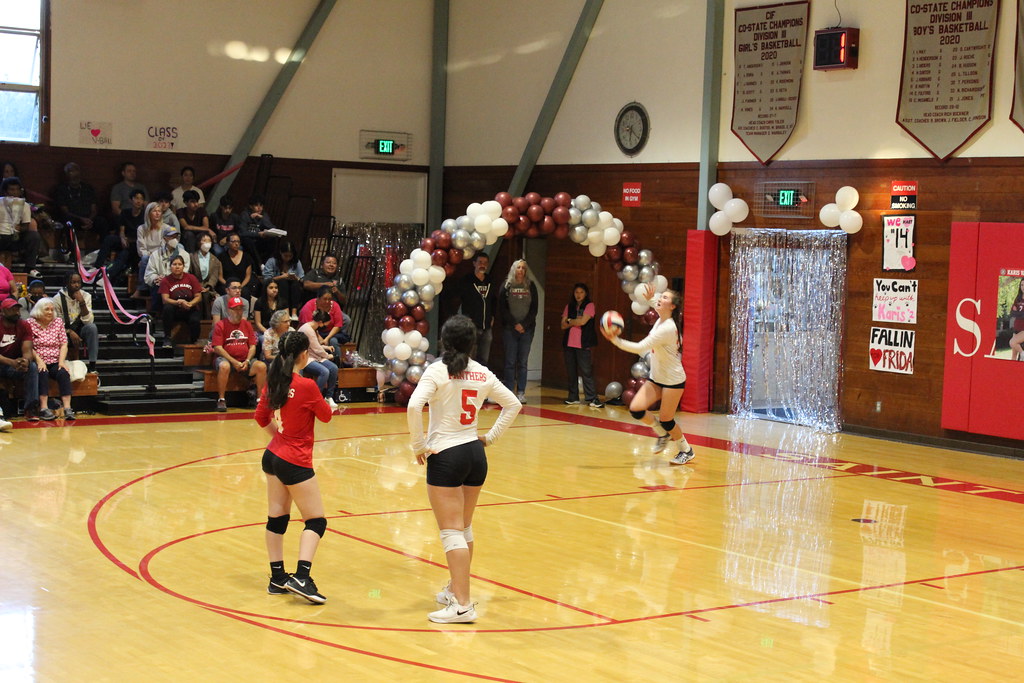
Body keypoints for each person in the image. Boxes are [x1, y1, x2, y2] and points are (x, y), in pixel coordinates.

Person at [406, 314, 521, 623]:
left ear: (444, 340)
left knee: (451, 532)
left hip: (446, 455)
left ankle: (463, 605)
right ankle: (456, 588)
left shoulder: (437, 370)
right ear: (472, 343)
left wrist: (418, 446)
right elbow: (513, 404)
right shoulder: (483, 372)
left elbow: (413, 406)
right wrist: (491, 438)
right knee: (464, 528)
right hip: (474, 454)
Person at [254, 330, 334, 604]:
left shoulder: (274, 380)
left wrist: (279, 436)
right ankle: (302, 575)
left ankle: (277, 578)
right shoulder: (306, 385)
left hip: (273, 455)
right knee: (316, 520)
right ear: (304, 355)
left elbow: (260, 416)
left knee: (277, 518)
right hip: (294, 459)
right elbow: (325, 416)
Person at [600, 284, 695, 465]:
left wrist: (615, 339)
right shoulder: (662, 317)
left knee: (667, 420)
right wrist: (652, 299)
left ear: (673, 306)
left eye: (665, 298)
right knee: (636, 409)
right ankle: (662, 434)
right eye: (661, 297)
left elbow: (639, 347)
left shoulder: (667, 328)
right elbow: (659, 306)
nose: (660, 300)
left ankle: (686, 450)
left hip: (673, 380)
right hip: (657, 378)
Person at [211, 296, 266, 413]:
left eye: (241, 309)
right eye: (236, 309)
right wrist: (234, 361)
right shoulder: (221, 325)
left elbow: (252, 346)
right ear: (229, 310)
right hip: (226, 360)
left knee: (261, 366)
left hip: (245, 360)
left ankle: (259, 399)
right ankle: (221, 399)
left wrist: (247, 360)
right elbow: (218, 348)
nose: (239, 312)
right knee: (224, 366)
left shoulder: (247, 324)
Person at [497, 259, 538, 403]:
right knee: (510, 361)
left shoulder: (531, 286)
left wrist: (524, 325)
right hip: (510, 329)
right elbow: (502, 308)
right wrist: (514, 324)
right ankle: (509, 392)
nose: (521, 270)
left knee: (522, 362)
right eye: (518, 267)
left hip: (527, 329)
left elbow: (534, 309)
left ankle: (521, 392)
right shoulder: (507, 286)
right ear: (514, 269)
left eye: (523, 268)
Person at [27, 298, 74, 421]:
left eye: (52, 310)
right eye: (47, 309)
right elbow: (28, 345)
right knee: (42, 372)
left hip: (55, 359)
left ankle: (68, 408)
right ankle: (43, 408)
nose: (50, 312)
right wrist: (38, 360)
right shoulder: (30, 323)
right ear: (38, 310)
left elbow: (64, 344)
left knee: (63, 373)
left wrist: (61, 361)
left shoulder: (58, 322)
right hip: (39, 359)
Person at [0, 298, 44, 424]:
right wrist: (12, 362)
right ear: (3, 311)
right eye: (12, 309)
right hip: (5, 363)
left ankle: (31, 408)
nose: (17, 312)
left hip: (14, 365)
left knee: (32, 367)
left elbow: (28, 349)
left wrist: (25, 361)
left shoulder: (24, 325)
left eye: (18, 309)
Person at [561, 282, 602, 408]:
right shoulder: (569, 306)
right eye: (576, 292)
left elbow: (583, 321)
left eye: (581, 292)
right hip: (569, 343)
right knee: (571, 371)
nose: (578, 295)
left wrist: (570, 321)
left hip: (583, 344)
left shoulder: (589, 306)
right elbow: (563, 325)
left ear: (586, 294)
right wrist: (574, 322)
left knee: (586, 371)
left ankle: (591, 398)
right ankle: (573, 397)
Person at [455, 253, 497, 366]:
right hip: (472, 325)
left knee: (484, 358)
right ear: (474, 263)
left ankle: (482, 380)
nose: (482, 265)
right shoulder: (466, 280)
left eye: (485, 263)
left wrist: (493, 316)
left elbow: (494, 300)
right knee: (468, 356)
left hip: (487, 326)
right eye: (480, 262)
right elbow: (459, 299)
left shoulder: (490, 280)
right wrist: (465, 317)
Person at [53, 272, 99, 372]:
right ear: (67, 283)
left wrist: (82, 302)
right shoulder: (57, 299)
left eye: (78, 282)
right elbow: (56, 324)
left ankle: (92, 366)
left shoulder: (86, 296)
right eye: (73, 282)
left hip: (80, 328)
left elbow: (88, 321)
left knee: (92, 328)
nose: (76, 285)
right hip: (64, 331)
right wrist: (69, 331)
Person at [0, 177, 43, 278]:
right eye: (11, 189)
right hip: (1, 237)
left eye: (17, 189)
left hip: (15, 238)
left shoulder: (25, 205)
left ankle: (29, 268)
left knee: (34, 236)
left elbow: (25, 226)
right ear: (5, 191)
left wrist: (19, 228)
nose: (14, 192)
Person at [296, 308, 340, 407]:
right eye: (325, 324)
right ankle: (315, 397)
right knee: (324, 371)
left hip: (314, 355)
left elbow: (315, 345)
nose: (325, 326)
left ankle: (329, 397)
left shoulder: (312, 328)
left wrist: (326, 347)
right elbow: (316, 349)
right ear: (320, 322)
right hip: (306, 358)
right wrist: (328, 356)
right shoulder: (308, 330)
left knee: (334, 368)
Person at [158, 255, 202, 347]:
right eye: (174, 264)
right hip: (174, 308)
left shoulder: (191, 278)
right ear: (170, 267)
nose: (177, 267)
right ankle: (167, 338)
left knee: (195, 318)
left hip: (189, 307)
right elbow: (165, 299)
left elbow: (198, 296)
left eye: (179, 264)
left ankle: (194, 341)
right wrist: (179, 302)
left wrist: (190, 304)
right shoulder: (166, 280)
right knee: (167, 309)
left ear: (183, 266)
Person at [144, 226, 190, 308]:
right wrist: (156, 278)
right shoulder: (155, 254)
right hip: (161, 285)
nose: (174, 239)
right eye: (171, 237)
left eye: (176, 237)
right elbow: (149, 274)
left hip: (178, 284)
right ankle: (157, 315)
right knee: (158, 287)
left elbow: (184, 272)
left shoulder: (184, 254)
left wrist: (167, 280)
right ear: (165, 238)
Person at [298, 285, 347, 363]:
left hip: (329, 332)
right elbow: (310, 327)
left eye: (329, 299)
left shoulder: (335, 305)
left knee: (334, 341)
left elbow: (338, 325)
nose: (327, 301)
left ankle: (338, 362)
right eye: (325, 299)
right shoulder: (308, 307)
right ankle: (325, 360)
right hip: (313, 332)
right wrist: (321, 340)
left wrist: (327, 338)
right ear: (318, 298)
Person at [262, 240, 304, 318]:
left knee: (295, 284)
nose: (288, 258)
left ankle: (294, 313)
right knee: (283, 282)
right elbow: (267, 279)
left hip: (292, 285)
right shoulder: (272, 261)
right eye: (285, 255)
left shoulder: (296, 262)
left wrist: (296, 278)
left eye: (290, 256)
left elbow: (302, 278)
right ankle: (285, 311)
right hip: (277, 284)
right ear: (280, 253)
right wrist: (281, 277)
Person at [136, 202, 170, 294]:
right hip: (147, 255)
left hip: (162, 255)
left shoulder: (166, 228)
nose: (157, 213)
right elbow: (141, 248)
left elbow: (165, 246)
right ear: (148, 213)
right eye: (155, 211)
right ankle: (141, 288)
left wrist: (154, 255)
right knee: (144, 258)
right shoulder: (141, 229)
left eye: (159, 211)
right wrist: (149, 255)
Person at [238, 194, 278, 264]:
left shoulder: (263, 215)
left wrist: (262, 218)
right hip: (248, 240)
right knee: (248, 241)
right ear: (251, 206)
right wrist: (258, 234)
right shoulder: (245, 215)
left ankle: (266, 263)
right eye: (257, 205)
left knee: (272, 240)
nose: (259, 208)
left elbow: (273, 228)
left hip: (259, 240)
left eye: (261, 206)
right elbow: (242, 232)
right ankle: (259, 264)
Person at [189, 233, 222, 317]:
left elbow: (214, 276)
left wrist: (208, 286)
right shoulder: (191, 257)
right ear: (199, 242)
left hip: (208, 288)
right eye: (204, 240)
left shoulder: (215, 260)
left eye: (209, 241)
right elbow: (189, 273)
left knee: (206, 295)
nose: (207, 243)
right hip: (194, 287)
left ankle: (206, 321)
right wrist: (197, 286)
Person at [218, 234, 256, 300]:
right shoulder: (222, 257)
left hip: (242, 285)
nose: (236, 244)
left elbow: (248, 276)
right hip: (227, 284)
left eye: (238, 241)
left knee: (245, 292)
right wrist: (230, 286)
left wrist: (239, 287)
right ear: (228, 243)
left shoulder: (246, 257)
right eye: (233, 241)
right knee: (225, 292)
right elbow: (220, 277)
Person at [177, 189, 213, 254]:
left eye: (197, 201)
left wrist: (206, 229)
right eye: (192, 202)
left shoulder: (201, 211)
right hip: (186, 239)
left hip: (199, 236)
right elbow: (186, 227)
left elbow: (206, 226)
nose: (196, 204)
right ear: (186, 202)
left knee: (204, 236)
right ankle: (192, 257)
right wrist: (204, 229)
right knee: (189, 234)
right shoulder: (181, 211)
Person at [1008, 279, 1024, 360]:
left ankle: (1023, 355)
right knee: (1013, 356)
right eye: (1021, 285)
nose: (1023, 287)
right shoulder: (1018, 298)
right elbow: (1012, 313)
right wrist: (1020, 314)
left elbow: (1017, 313)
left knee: (1012, 342)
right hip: (1016, 328)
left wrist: (1018, 313)